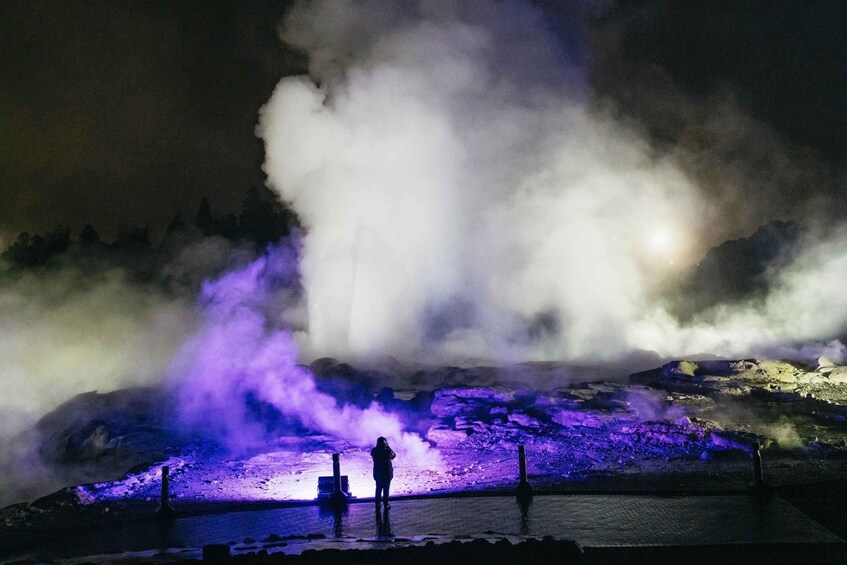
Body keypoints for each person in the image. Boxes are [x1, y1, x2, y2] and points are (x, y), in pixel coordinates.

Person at [371, 436, 396, 508]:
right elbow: (393, 456)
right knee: (386, 489)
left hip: (378, 473)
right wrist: (388, 447)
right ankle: (386, 504)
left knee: (378, 488)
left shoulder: (374, 451)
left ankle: (377, 504)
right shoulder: (387, 451)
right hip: (387, 473)